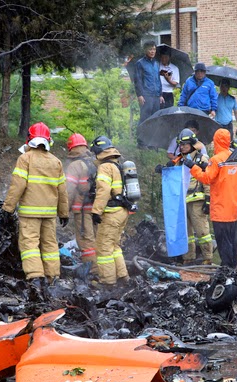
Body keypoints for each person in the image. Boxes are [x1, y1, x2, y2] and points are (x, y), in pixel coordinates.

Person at [2, 122, 69, 286]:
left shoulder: (25, 158)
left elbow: (18, 185)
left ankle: (35, 278)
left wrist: (8, 208)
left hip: (29, 213)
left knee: (30, 244)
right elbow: (62, 191)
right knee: (50, 245)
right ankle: (53, 278)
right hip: (49, 214)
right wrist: (64, 213)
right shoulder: (56, 162)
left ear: (29, 139)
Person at [186, 128, 237, 267]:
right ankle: (233, 268)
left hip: (221, 208)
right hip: (233, 208)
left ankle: (226, 270)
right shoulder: (236, 158)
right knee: (232, 241)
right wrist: (206, 166)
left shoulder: (216, 159)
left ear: (216, 141)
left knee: (223, 242)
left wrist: (193, 167)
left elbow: (207, 178)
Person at [168, 129, 213, 265]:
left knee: (202, 232)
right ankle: (188, 258)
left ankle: (207, 258)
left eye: (184, 144)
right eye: (180, 145)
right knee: (186, 233)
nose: (181, 147)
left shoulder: (201, 159)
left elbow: (207, 180)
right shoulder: (179, 161)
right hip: (182, 202)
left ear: (192, 144)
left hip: (197, 201)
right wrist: (165, 170)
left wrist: (208, 200)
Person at [90, 136, 129, 285]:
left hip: (111, 213)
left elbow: (104, 190)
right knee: (114, 246)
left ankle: (107, 282)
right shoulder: (118, 165)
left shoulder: (105, 167)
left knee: (103, 248)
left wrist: (96, 211)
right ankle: (122, 276)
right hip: (122, 211)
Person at [65, 133, 98, 278]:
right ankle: (104, 269)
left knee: (85, 241)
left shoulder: (75, 165)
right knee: (97, 238)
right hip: (98, 208)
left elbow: (69, 190)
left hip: (83, 209)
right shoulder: (95, 161)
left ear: (71, 148)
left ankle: (93, 271)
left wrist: (64, 211)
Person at [133, 42, 163, 125]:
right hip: (146, 96)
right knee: (145, 119)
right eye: (150, 49)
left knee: (156, 119)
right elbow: (137, 80)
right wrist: (139, 95)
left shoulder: (156, 63)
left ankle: (154, 134)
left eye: (154, 49)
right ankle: (141, 134)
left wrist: (160, 95)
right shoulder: (140, 63)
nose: (152, 51)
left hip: (156, 96)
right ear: (145, 50)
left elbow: (158, 79)